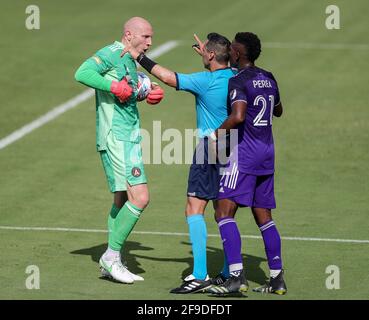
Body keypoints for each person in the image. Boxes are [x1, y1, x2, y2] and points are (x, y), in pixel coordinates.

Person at [122, 33, 234, 293]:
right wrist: (210, 56)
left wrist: (139, 56)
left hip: (210, 149)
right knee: (224, 213)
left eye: (207, 52)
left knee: (194, 209)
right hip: (235, 149)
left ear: (210, 55)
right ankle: (230, 273)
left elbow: (168, 77)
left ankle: (199, 275)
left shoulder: (204, 81)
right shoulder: (237, 76)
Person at [74, 17, 165, 284]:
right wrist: (113, 86)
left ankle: (112, 260)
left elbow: (129, 87)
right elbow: (82, 72)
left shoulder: (128, 58)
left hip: (128, 135)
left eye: (151, 37)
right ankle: (111, 256)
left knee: (122, 199)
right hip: (117, 137)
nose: (150, 43)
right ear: (129, 34)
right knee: (141, 197)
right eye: (145, 37)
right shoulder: (112, 53)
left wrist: (147, 90)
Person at [207, 32, 287, 295]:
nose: (229, 51)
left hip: (245, 154)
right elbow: (278, 110)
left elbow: (238, 116)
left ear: (238, 54)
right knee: (263, 214)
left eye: (232, 50)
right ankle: (277, 279)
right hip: (267, 153)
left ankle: (236, 277)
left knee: (223, 211)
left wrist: (216, 132)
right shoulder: (268, 76)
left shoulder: (237, 81)